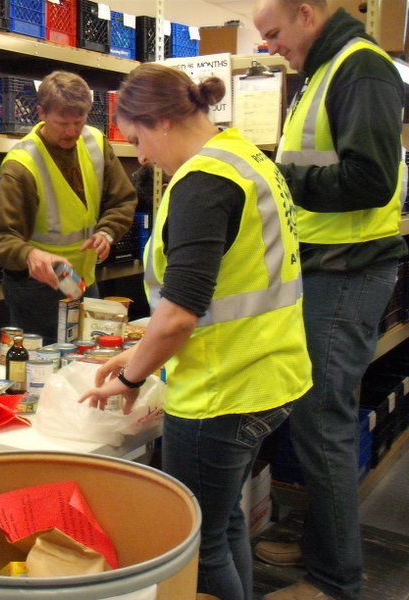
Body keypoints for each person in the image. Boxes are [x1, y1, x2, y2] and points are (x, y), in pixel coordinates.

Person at [78, 63, 312, 600]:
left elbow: (182, 313)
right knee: (226, 523)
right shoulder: (247, 157)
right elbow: (226, 286)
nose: (139, 157)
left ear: (160, 122)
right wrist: (140, 350)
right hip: (269, 374)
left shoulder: (202, 185)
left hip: (221, 392)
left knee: (199, 549)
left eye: (136, 140)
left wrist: (132, 379)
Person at [253, 2, 407, 599]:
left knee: (324, 424)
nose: (268, 47)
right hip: (324, 270)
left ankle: (334, 580)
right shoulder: (322, 70)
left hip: (347, 273)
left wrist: (280, 180)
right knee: (316, 419)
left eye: (273, 33)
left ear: (308, 14)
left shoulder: (361, 68)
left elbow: (372, 179)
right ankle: (321, 543)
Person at [0, 70, 137, 345]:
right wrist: (28, 255)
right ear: (40, 113)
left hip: (82, 280)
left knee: (88, 358)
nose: (71, 132)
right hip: (36, 290)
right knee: (42, 370)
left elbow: (122, 200)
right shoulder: (22, 165)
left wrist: (109, 231)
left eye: (79, 122)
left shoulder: (96, 143)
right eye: (62, 123)